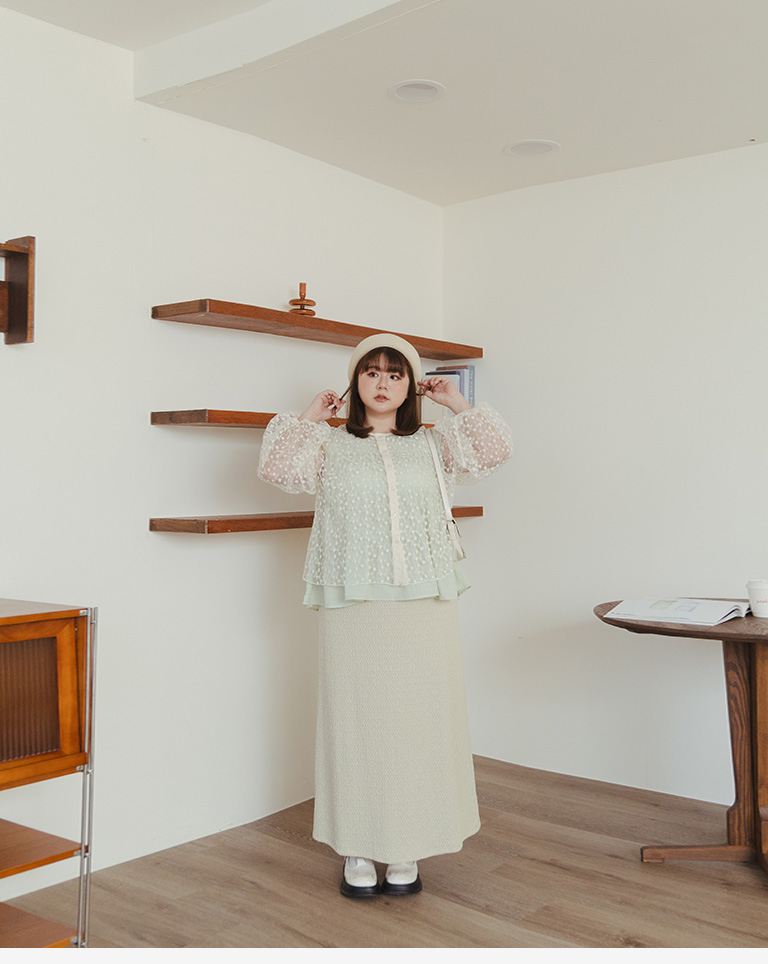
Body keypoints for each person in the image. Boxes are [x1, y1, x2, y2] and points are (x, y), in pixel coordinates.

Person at [258, 332, 511, 898]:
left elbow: (493, 450)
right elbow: (277, 468)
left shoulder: (433, 443)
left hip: (425, 601)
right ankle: (356, 844)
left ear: (410, 386)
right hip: (352, 602)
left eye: (395, 374)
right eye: (370, 372)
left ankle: (407, 846)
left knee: (419, 722)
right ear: (354, 382)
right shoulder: (329, 446)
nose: (382, 383)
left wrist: (456, 402)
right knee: (354, 720)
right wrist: (311, 415)